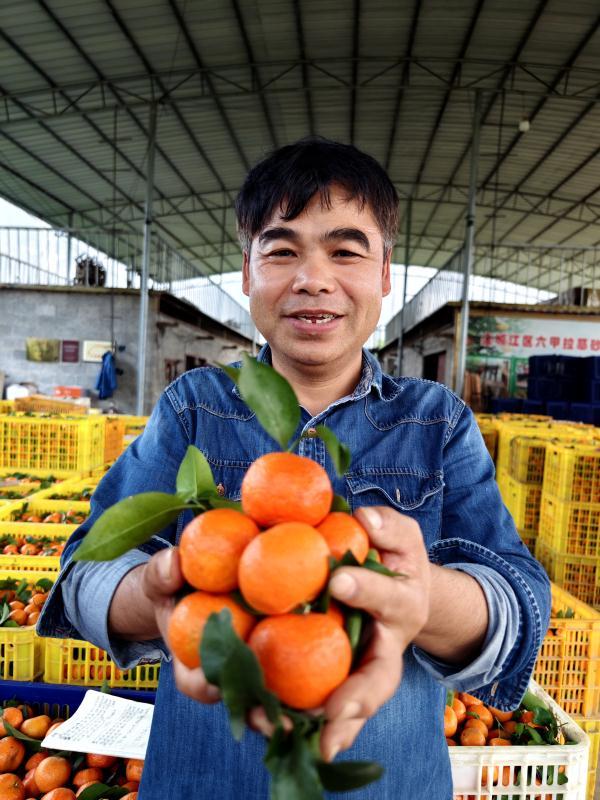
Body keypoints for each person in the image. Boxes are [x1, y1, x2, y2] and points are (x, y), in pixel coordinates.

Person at [38, 137, 550, 799]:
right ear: (247, 273)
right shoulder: (195, 407)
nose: (313, 277)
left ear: (385, 274)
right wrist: (152, 591)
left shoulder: (436, 421)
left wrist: (424, 600)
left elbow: (516, 598)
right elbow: (85, 571)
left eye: (345, 250)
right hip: (204, 783)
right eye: (282, 250)